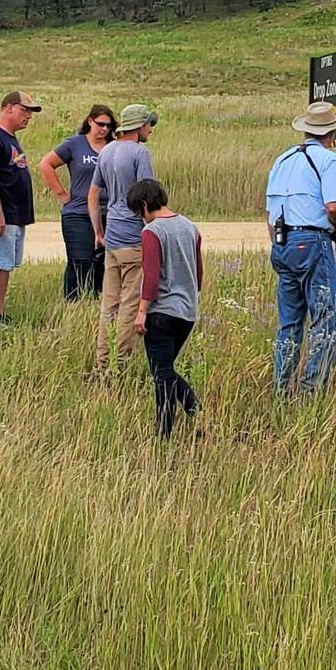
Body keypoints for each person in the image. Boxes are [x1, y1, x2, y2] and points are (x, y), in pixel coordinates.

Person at [266, 101, 336, 398]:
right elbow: (334, 206)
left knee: (289, 322)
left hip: (282, 242)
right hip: (313, 240)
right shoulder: (329, 161)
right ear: (332, 132)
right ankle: (312, 389)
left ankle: (282, 388)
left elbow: (270, 212)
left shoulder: (283, 160)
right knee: (327, 319)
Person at [128, 178, 203, 438]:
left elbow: (151, 276)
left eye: (139, 212)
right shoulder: (190, 227)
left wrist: (141, 312)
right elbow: (199, 273)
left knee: (161, 375)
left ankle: (168, 430)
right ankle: (187, 413)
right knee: (166, 369)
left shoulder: (152, 232)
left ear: (146, 205)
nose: (141, 218)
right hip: (187, 312)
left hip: (161, 313)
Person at [87, 103, 159, 374]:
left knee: (109, 304)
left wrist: (99, 232)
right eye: (149, 125)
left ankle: (102, 363)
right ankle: (120, 366)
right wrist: (153, 231)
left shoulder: (106, 151)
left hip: (112, 238)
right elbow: (147, 196)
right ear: (139, 126)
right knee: (131, 303)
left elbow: (93, 194)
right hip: (133, 237)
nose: (150, 130)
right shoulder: (140, 152)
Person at [39, 104, 118, 300]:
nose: (104, 129)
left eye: (109, 126)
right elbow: (46, 164)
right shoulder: (75, 144)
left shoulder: (113, 147)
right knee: (79, 259)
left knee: (102, 260)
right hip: (78, 212)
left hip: (107, 211)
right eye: (100, 124)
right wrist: (62, 194)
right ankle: (74, 300)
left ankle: (95, 300)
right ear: (90, 121)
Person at [0, 90, 41, 324]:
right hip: (0, 213)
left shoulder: (10, 138)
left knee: (5, 264)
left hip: (15, 213)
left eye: (30, 112)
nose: (28, 116)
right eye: (25, 110)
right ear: (9, 108)